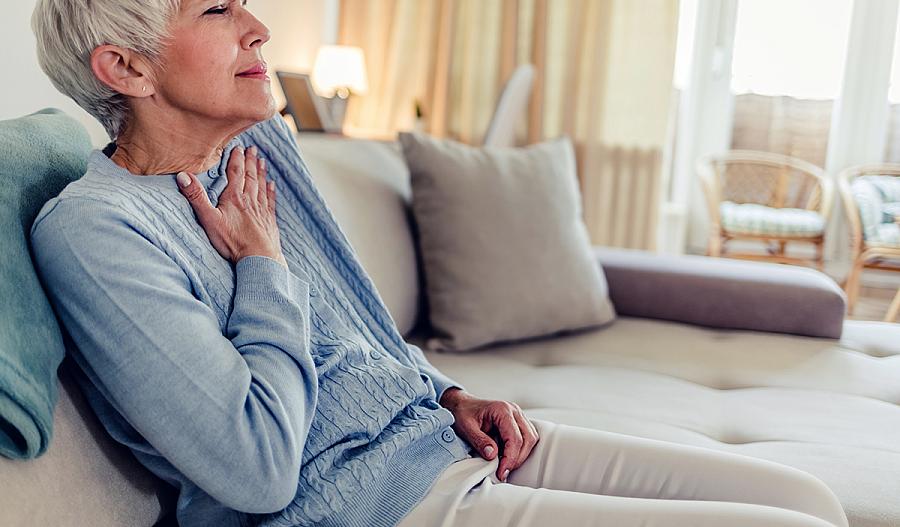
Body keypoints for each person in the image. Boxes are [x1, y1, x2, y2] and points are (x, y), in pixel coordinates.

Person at [28, 1, 849, 526]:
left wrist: (447, 393)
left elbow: (363, 334)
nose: (257, 26)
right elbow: (258, 468)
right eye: (215, 8)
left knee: (806, 499)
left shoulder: (258, 148)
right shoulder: (98, 231)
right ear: (126, 67)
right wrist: (263, 269)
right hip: (370, 507)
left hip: (442, 443)